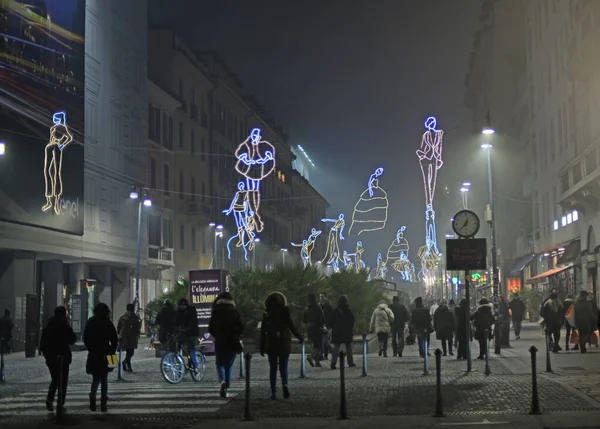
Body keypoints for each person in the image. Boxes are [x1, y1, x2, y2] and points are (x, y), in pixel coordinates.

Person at [260, 292, 303, 400]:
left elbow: (263, 332)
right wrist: (300, 337)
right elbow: (292, 326)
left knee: (273, 368)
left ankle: (273, 392)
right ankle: (285, 385)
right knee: (283, 367)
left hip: (271, 343)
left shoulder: (267, 314)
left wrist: (261, 347)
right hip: (284, 342)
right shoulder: (285, 311)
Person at [40, 306, 76, 412]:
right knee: (63, 381)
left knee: (55, 379)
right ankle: (60, 403)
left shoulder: (48, 327)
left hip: (51, 358)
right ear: (64, 315)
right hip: (63, 357)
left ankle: (50, 399)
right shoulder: (65, 326)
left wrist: (48, 356)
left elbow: (43, 344)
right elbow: (72, 339)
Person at [208, 292, 244, 398]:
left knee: (219, 364)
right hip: (232, 341)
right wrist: (236, 334)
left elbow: (210, 328)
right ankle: (227, 387)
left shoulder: (216, 312)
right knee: (229, 365)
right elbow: (241, 328)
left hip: (220, 341)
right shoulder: (234, 311)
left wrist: (217, 335)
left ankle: (222, 382)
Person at [83, 303, 118, 412]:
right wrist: (112, 350)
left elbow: (86, 338)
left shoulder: (91, 322)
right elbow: (114, 338)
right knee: (103, 379)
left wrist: (91, 348)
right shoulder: (107, 323)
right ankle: (103, 403)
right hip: (105, 352)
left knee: (97, 378)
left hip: (95, 353)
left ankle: (93, 398)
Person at [329, 295, 355, 369]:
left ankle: (333, 363)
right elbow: (352, 320)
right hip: (346, 331)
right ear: (346, 301)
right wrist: (350, 328)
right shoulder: (348, 310)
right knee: (348, 347)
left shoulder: (335, 310)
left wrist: (333, 327)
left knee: (336, 347)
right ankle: (350, 362)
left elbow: (330, 321)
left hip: (337, 331)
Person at [175, 298, 200, 372]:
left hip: (192, 333)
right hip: (184, 333)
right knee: (178, 345)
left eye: (183, 305)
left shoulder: (191, 311)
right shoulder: (179, 312)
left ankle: (196, 367)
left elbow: (193, 322)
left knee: (191, 350)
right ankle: (182, 365)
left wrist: (188, 328)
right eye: (180, 306)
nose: (182, 307)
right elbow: (176, 321)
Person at [117, 303, 140, 372]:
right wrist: (137, 334)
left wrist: (119, 333)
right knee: (131, 352)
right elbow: (137, 327)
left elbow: (118, 327)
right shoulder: (134, 316)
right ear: (132, 309)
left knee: (128, 352)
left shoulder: (123, 316)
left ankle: (128, 367)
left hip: (123, 336)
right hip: (131, 336)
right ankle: (125, 363)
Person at [304, 293, 325, 367]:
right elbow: (322, 319)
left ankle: (317, 362)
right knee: (318, 346)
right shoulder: (317, 307)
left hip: (309, 327)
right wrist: (322, 325)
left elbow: (304, 320)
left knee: (315, 345)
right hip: (316, 328)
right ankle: (311, 357)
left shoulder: (306, 308)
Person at [319, 293, 334, 360]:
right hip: (321, 325)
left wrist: (330, 326)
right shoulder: (319, 305)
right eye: (320, 296)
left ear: (325, 297)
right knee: (324, 341)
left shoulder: (328, 306)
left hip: (327, 325)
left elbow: (330, 316)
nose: (321, 298)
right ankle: (325, 355)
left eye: (322, 296)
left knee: (325, 340)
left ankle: (334, 353)